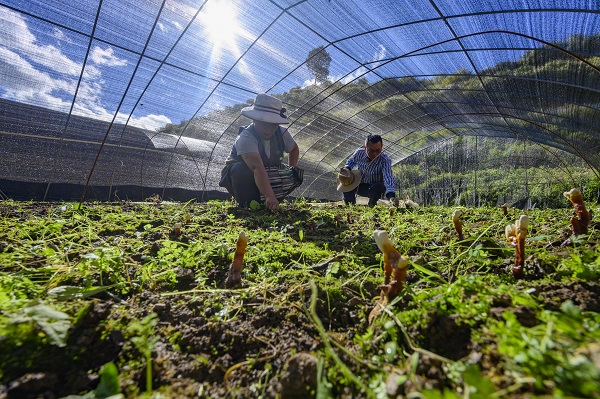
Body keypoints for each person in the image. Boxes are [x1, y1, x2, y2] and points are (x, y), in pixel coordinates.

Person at [219, 93, 301, 211]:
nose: (268, 128)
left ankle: (272, 202)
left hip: (267, 173)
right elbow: (256, 167)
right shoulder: (246, 137)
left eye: (272, 124)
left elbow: (294, 149)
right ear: (254, 119)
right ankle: (249, 204)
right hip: (243, 177)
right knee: (241, 169)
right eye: (263, 122)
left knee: (294, 172)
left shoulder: (282, 133)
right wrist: (270, 196)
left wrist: (292, 169)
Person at [337, 134, 396, 206]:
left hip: (375, 189)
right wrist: (347, 169)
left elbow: (388, 177)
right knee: (346, 180)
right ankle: (350, 205)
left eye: (378, 150)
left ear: (382, 147)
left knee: (379, 186)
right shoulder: (359, 153)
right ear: (365, 148)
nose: (374, 154)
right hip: (360, 186)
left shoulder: (385, 160)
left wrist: (391, 196)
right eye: (371, 151)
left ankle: (372, 204)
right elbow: (350, 162)